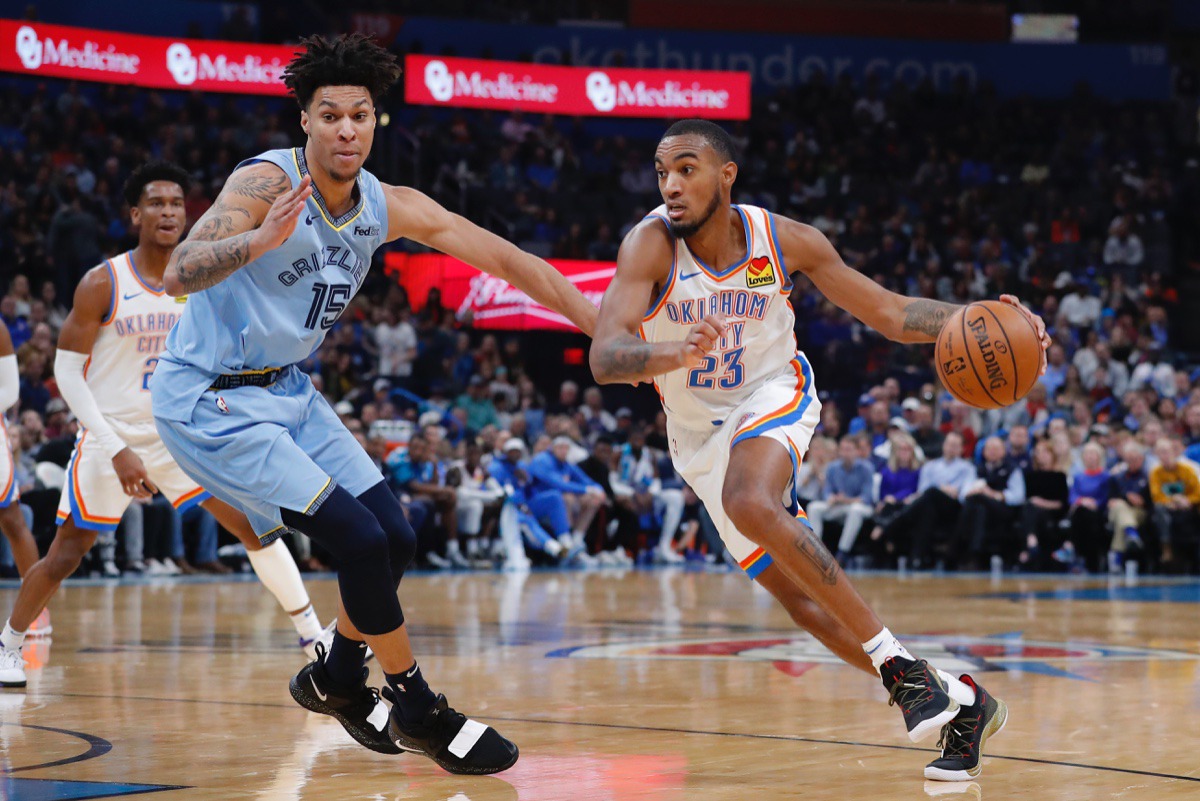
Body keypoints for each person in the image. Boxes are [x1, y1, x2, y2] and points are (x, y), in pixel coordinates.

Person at [150, 35, 596, 774]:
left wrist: (601, 330)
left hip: (287, 387)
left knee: (397, 536)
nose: (347, 129)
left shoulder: (387, 205)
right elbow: (180, 271)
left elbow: (509, 261)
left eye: (360, 115)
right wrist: (258, 240)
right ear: (305, 122)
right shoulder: (264, 183)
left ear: (374, 123)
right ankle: (416, 703)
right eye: (330, 115)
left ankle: (332, 676)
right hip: (208, 398)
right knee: (358, 542)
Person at [591, 120, 1048, 782]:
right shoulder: (649, 245)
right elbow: (606, 356)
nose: (671, 185)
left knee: (749, 498)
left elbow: (890, 313)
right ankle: (961, 701)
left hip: (775, 390)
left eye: (686, 169)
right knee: (804, 604)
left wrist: (976, 315)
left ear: (726, 175)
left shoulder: (785, 241)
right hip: (695, 435)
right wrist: (670, 350)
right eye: (662, 171)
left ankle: (899, 668)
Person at [0, 162, 337, 691]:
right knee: (66, 553)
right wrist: (113, 448)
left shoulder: (206, 279)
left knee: (254, 525)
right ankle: (10, 645)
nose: (168, 212)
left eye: (177, 204)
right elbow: (67, 373)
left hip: (183, 431)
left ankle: (314, 637)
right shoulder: (103, 281)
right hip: (113, 436)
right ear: (136, 214)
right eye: (156, 203)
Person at [806, 435, 875, 564]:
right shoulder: (833, 467)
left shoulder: (866, 468)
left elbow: (867, 497)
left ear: (857, 451)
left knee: (856, 510)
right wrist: (830, 497)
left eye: (848, 449)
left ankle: (842, 553)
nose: (845, 453)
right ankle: (816, 551)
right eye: (842, 449)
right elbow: (827, 490)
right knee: (814, 507)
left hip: (860, 507)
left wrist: (847, 500)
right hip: (839, 506)